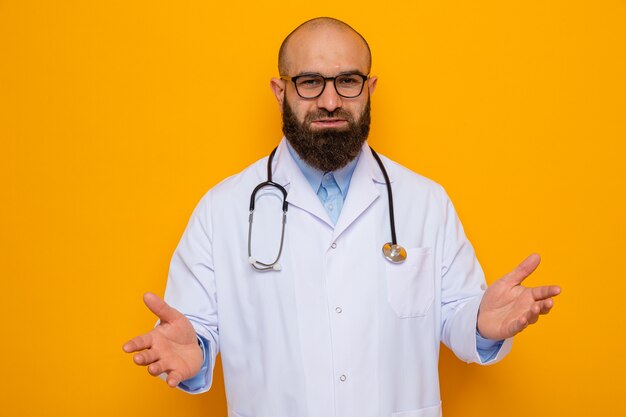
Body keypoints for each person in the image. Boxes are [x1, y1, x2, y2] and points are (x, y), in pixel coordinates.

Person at [123, 17, 561, 417]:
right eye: (310, 81)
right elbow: (196, 330)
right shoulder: (222, 211)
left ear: (369, 88)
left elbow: (457, 316)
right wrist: (193, 349)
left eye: (347, 81)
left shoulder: (425, 202)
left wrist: (482, 323)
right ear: (281, 92)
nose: (330, 101)